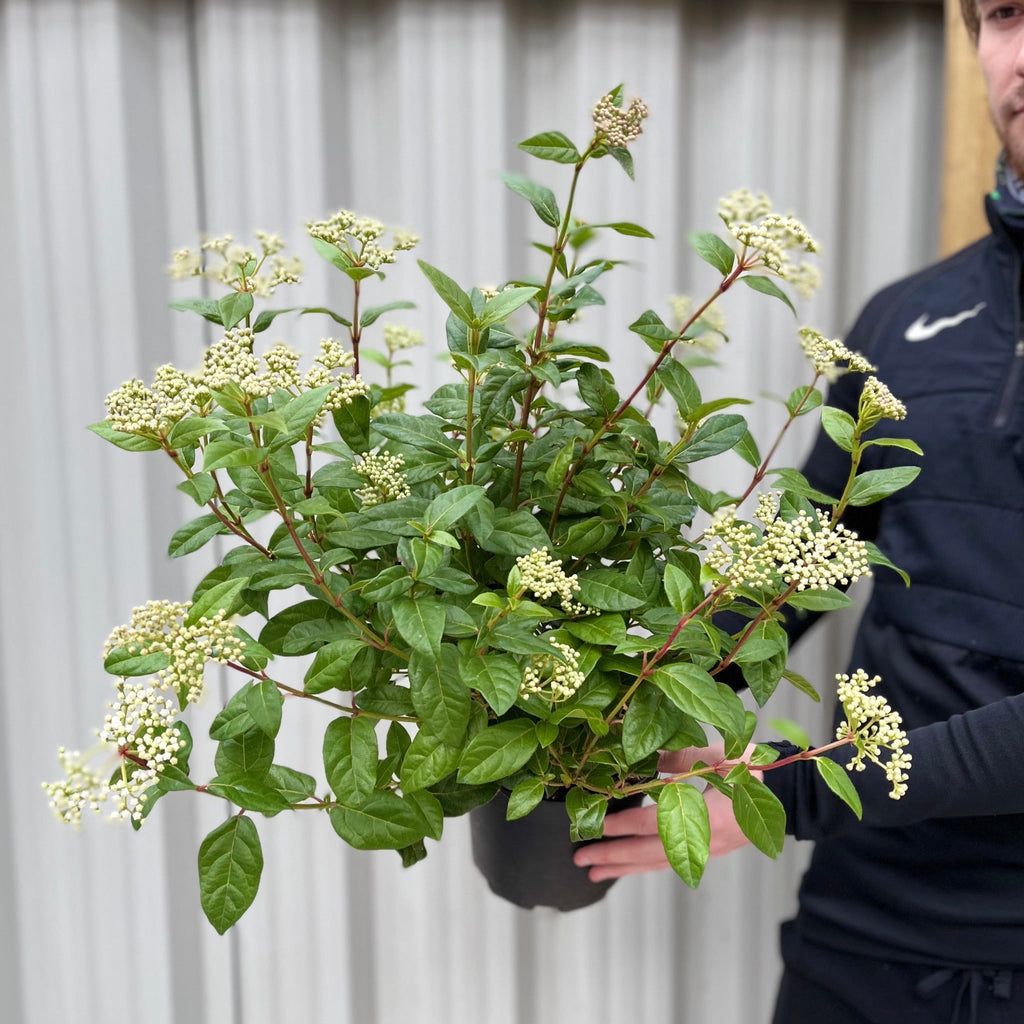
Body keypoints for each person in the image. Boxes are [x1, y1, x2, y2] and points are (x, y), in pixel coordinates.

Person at [574, 2, 1024, 1020]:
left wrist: (781, 792)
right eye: (1003, 13)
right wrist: (610, 703)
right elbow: (804, 565)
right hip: (858, 941)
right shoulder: (905, 319)